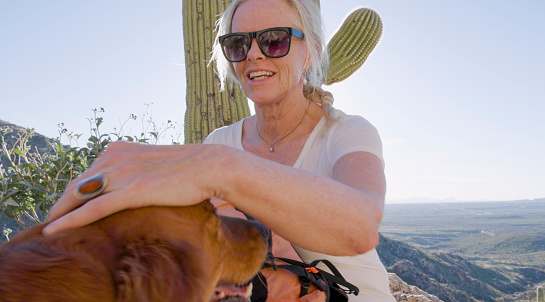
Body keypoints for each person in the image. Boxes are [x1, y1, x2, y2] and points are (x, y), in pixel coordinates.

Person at [44, 0, 395, 301]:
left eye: (275, 40)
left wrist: (221, 169)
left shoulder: (346, 132)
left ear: (312, 52)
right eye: (238, 44)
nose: (254, 54)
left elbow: (361, 225)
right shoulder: (219, 141)